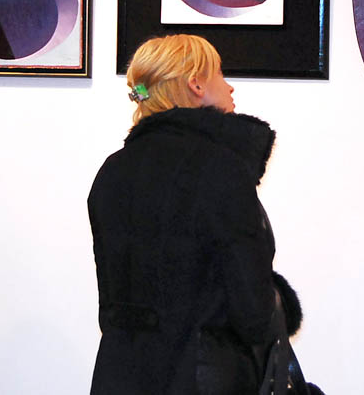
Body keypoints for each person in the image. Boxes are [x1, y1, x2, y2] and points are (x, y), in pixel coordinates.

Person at [89, 34, 305, 394]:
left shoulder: (113, 171)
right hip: (204, 378)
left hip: (119, 376)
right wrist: (277, 304)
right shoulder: (221, 168)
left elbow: (113, 301)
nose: (230, 86)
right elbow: (253, 313)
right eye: (220, 73)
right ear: (196, 84)